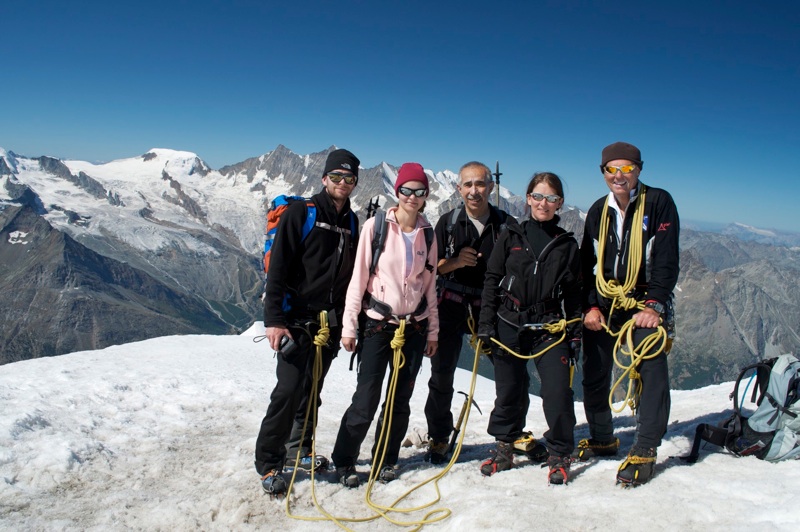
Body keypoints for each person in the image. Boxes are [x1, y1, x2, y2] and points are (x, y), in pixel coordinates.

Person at [254, 148, 361, 496]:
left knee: (312, 389)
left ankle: (300, 449)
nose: (342, 183)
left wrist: (349, 323)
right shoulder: (302, 212)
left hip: (328, 323)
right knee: (287, 390)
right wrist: (274, 321)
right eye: (336, 177)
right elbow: (279, 268)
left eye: (349, 178)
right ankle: (270, 462)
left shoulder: (353, 221)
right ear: (324, 179)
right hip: (296, 320)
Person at [578, 141, 680, 487]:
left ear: (639, 170)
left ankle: (646, 447)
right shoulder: (598, 211)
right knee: (594, 368)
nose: (619, 176)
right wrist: (590, 305)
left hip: (642, 301)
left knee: (650, 361)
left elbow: (666, 258)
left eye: (627, 169)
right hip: (606, 302)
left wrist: (655, 304)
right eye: (612, 169)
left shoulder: (659, 202)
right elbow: (587, 266)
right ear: (603, 172)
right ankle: (603, 436)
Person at [331, 162, 439, 488]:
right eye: (407, 189)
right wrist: (350, 326)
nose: (412, 196)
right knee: (366, 399)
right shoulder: (377, 227)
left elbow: (430, 285)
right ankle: (345, 460)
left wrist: (433, 330)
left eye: (419, 191)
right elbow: (358, 280)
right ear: (398, 191)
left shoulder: (428, 233)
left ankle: (386, 459)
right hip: (378, 325)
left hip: (415, 328)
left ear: (425, 196)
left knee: (399, 400)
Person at [476, 172, 582, 484]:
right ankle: (504, 447)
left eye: (551, 198)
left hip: (548, 325)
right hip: (509, 321)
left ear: (560, 203)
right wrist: (485, 324)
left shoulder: (566, 245)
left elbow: (574, 293)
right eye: (538, 196)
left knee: (557, 390)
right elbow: (492, 280)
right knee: (508, 389)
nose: (543, 203)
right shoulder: (511, 235)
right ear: (528, 199)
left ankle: (560, 451)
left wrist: (574, 331)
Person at [423, 161, 510, 464]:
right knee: (441, 372)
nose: (474, 191)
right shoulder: (447, 222)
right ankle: (438, 436)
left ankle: (507, 435)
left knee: (507, 371)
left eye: (480, 184)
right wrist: (457, 262)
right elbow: (431, 268)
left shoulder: (506, 225)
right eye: (468, 185)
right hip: (451, 302)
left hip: (489, 306)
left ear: (491, 187)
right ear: (459, 189)